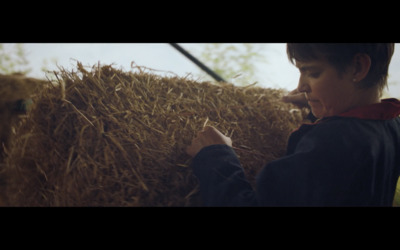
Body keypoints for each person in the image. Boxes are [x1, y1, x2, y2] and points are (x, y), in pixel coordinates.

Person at [185, 43, 400, 206]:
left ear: (357, 68)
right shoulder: (392, 126)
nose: (301, 86)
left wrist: (215, 156)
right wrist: (316, 109)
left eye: (313, 72)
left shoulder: (332, 142)